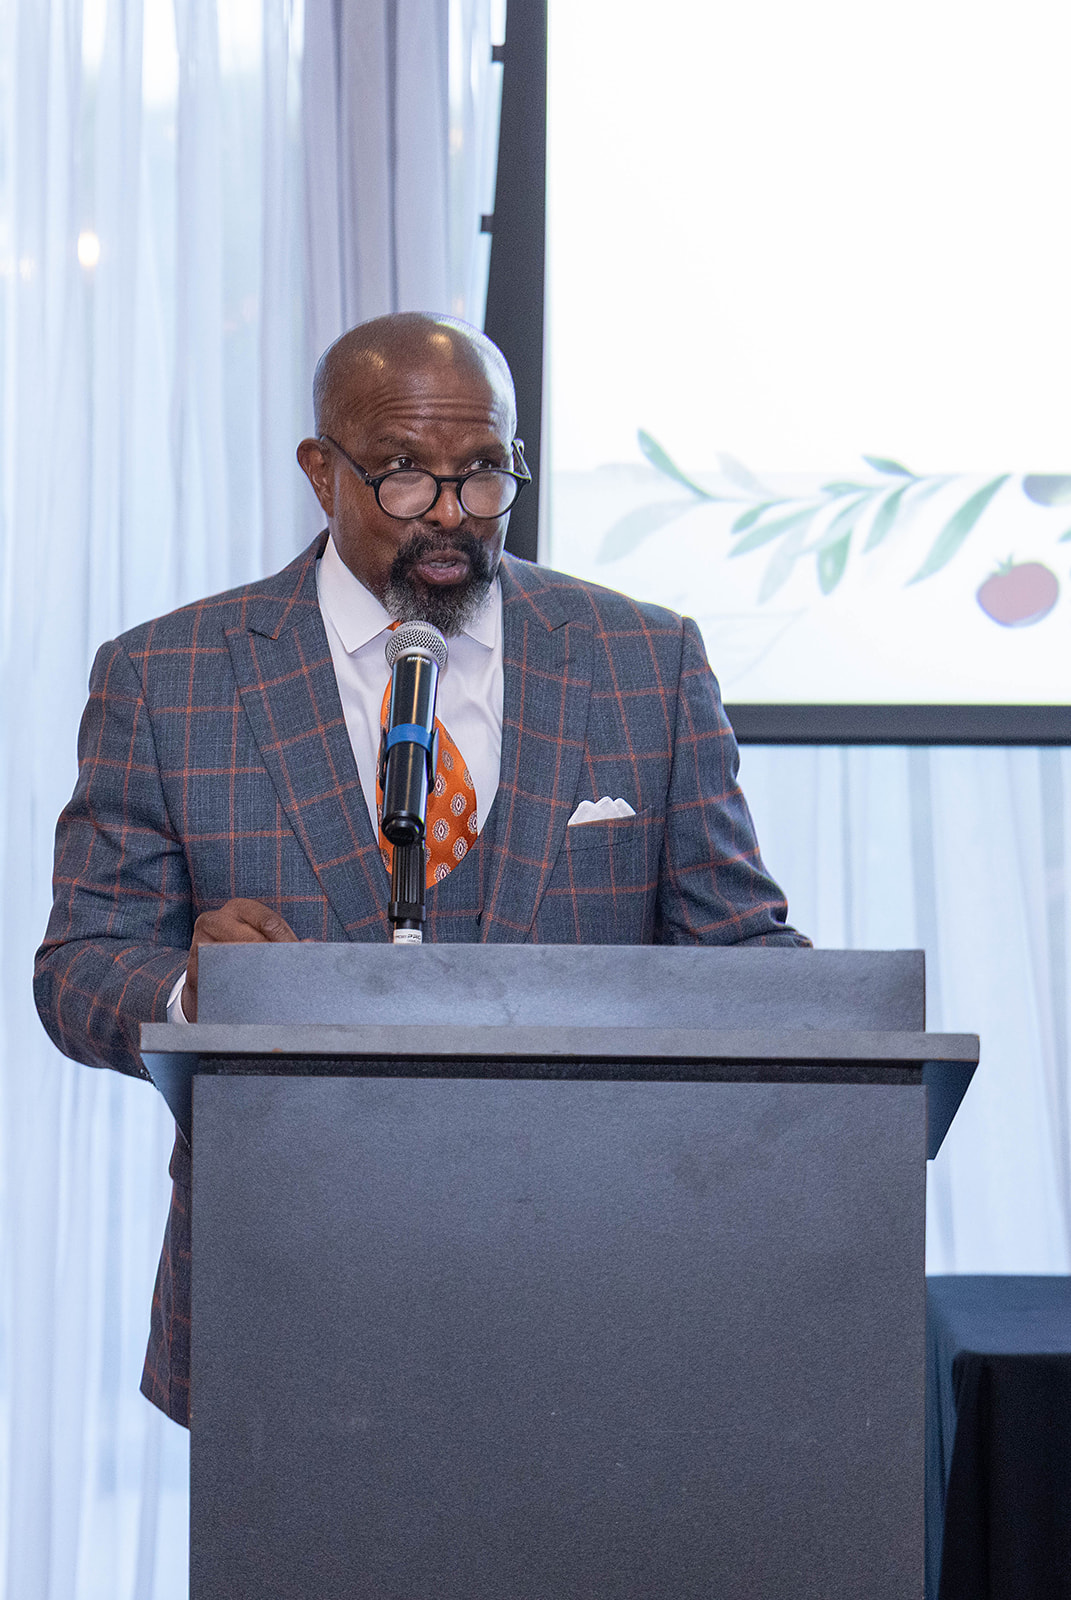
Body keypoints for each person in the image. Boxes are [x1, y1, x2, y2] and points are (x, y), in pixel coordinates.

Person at [34, 312, 809, 1427]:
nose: (450, 512)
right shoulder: (168, 677)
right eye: (403, 473)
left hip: (600, 1287)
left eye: (483, 472)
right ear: (321, 471)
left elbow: (737, 947)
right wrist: (190, 993)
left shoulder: (644, 659)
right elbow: (78, 967)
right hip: (284, 1290)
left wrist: (839, 1019)